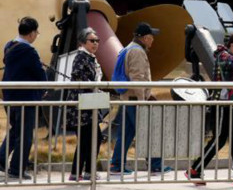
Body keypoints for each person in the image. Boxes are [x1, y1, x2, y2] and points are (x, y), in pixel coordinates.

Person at [186, 33, 233, 187]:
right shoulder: (224, 56)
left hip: (232, 103)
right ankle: (195, 169)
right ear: (232, 46)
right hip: (223, 104)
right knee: (219, 139)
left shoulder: (227, 57)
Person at [110, 22, 172, 175]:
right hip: (135, 99)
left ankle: (116, 165)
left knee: (126, 133)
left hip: (128, 97)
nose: (153, 40)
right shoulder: (137, 52)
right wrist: (142, 100)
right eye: (151, 37)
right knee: (149, 131)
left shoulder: (128, 48)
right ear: (144, 38)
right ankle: (155, 165)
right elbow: (137, 78)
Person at [0, 17, 47, 180]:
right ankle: (17, 168)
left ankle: (2, 159)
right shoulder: (29, 51)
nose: (36, 35)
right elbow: (39, 72)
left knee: (16, 129)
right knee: (25, 135)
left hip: (10, 95)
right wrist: (44, 88)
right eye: (36, 32)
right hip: (26, 97)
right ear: (31, 34)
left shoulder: (9, 46)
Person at [65, 28, 105, 181]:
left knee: (91, 138)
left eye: (97, 41)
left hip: (90, 102)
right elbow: (80, 79)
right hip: (82, 105)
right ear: (82, 42)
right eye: (92, 40)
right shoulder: (81, 57)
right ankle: (81, 172)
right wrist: (95, 88)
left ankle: (84, 171)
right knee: (89, 138)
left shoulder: (90, 57)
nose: (95, 43)